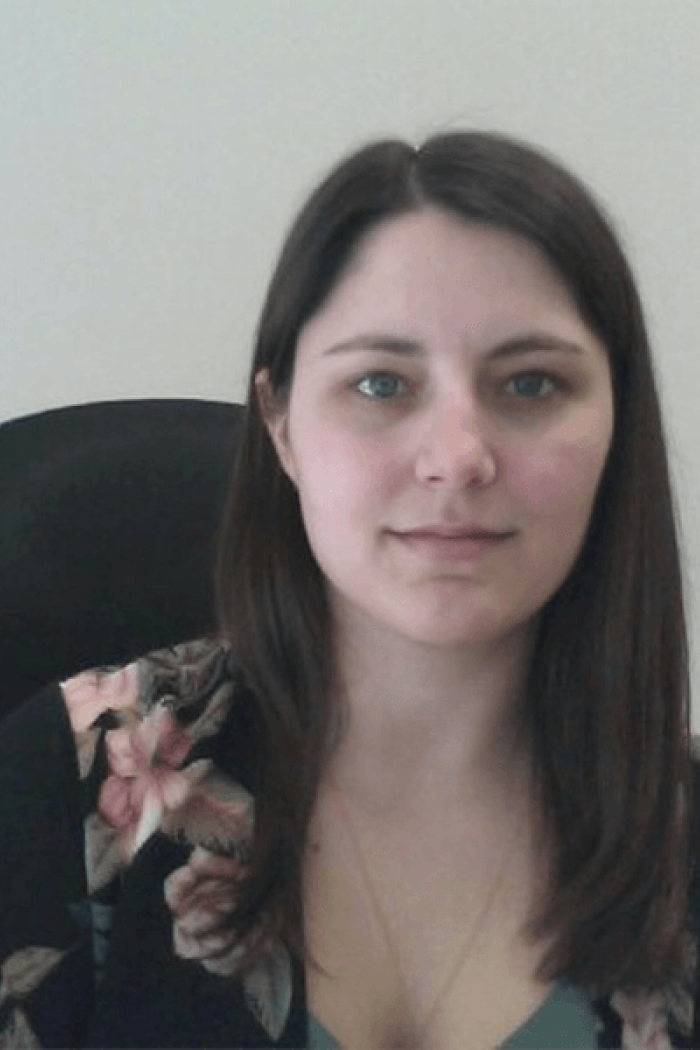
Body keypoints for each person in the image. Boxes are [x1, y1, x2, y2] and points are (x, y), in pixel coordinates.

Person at [0, 131, 697, 1049]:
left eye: (531, 383)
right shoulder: (68, 777)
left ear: (618, 429)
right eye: (380, 383)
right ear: (280, 425)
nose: (456, 458)